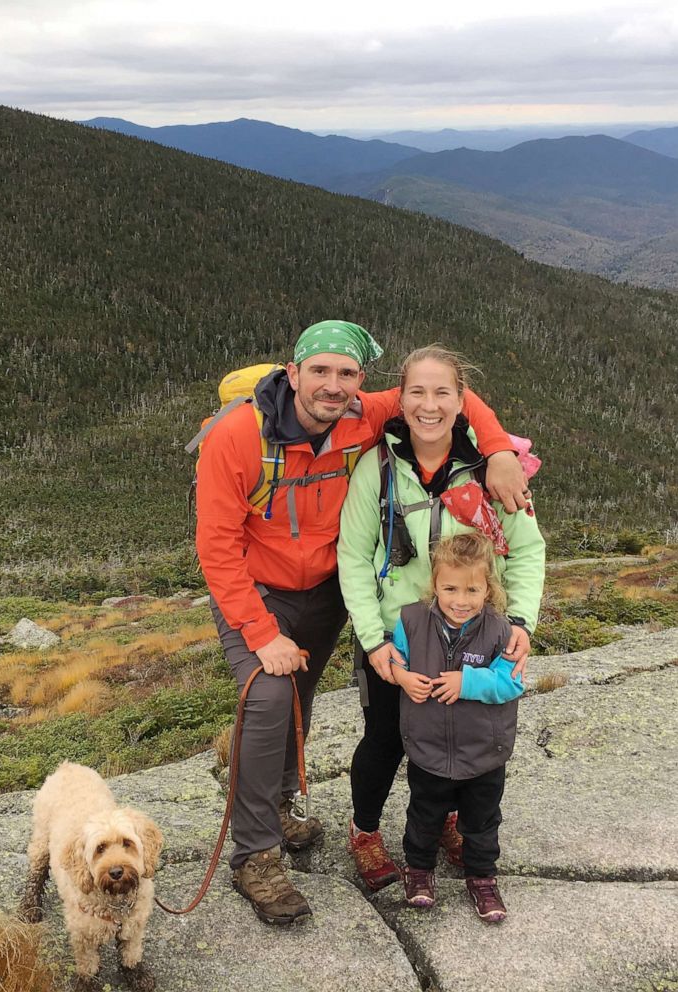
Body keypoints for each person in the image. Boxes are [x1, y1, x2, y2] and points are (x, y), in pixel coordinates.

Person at [194, 322, 528, 926]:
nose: (333, 385)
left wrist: (499, 449)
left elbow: (452, 395)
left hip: (322, 592)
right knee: (269, 696)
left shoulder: (361, 413)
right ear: (291, 374)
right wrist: (261, 632)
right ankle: (255, 854)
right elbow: (216, 545)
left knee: (299, 695)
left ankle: (277, 806)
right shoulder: (239, 437)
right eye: (319, 371)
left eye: (346, 374)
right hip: (258, 588)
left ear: (361, 384)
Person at [337, 344, 545, 892]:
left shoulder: (492, 468)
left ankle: (448, 822)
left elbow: (527, 549)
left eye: (442, 393)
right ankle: (365, 832)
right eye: (417, 393)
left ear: (462, 401)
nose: (429, 406)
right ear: (399, 402)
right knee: (385, 737)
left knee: (465, 728)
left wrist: (520, 622)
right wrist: (375, 641)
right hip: (397, 633)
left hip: (476, 627)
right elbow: (353, 557)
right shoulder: (376, 467)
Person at [391, 531, 533, 922]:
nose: (460, 599)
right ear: (433, 583)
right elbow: (395, 659)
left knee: (483, 821)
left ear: (488, 587)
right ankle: (418, 872)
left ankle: (483, 879)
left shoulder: (503, 630)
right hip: (428, 748)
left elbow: (512, 682)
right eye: (449, 587)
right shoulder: (410, 620)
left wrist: (467, 682)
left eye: (472, 589)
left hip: (484, 753)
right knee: (423, 815)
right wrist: (401, 676)